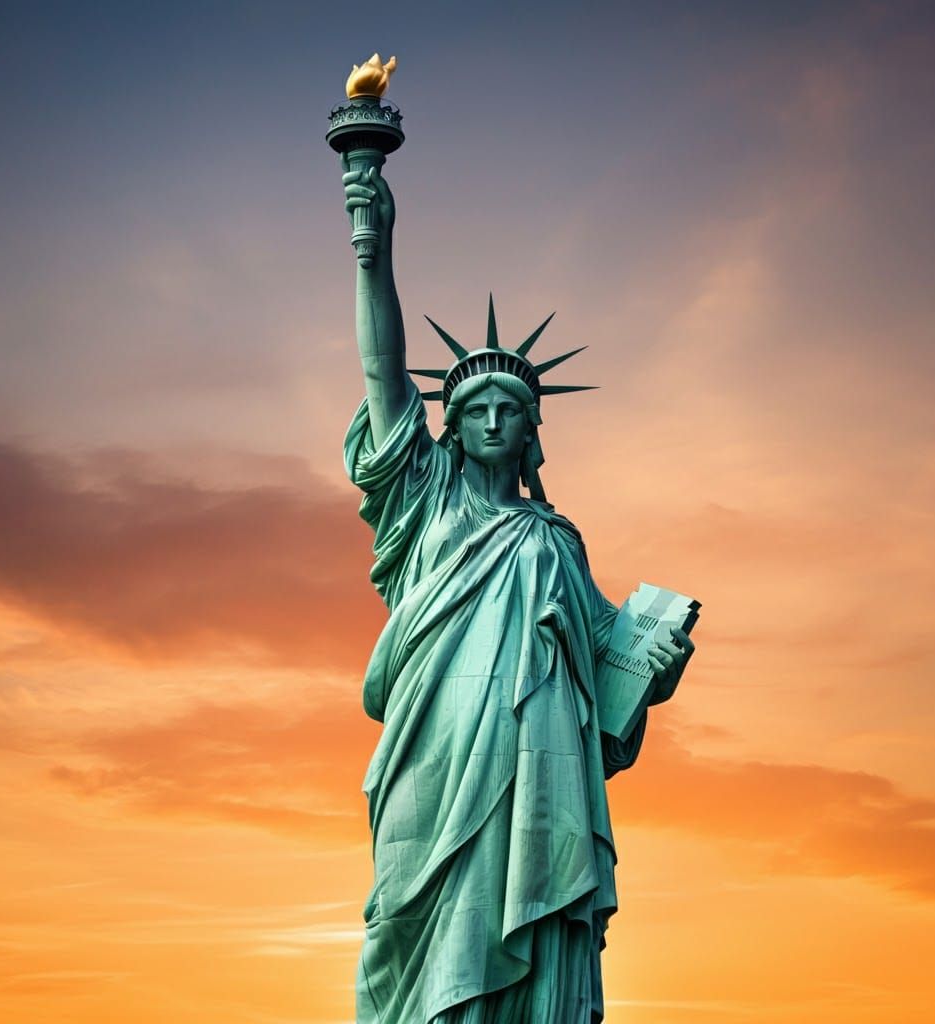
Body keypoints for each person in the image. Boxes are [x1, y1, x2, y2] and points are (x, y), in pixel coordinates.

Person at [341, 163, 694, 1024]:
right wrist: (371, 247)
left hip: (542, 761)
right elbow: (385, 375)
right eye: (474, 410)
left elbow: (606, 656)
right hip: (437, 747)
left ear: (532, 430)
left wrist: (661, 658)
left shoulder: (554, 539)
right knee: (407, 924)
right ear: (451, 429)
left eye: (511, 409)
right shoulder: (420, 506)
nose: (493, 421)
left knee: (530, 940)